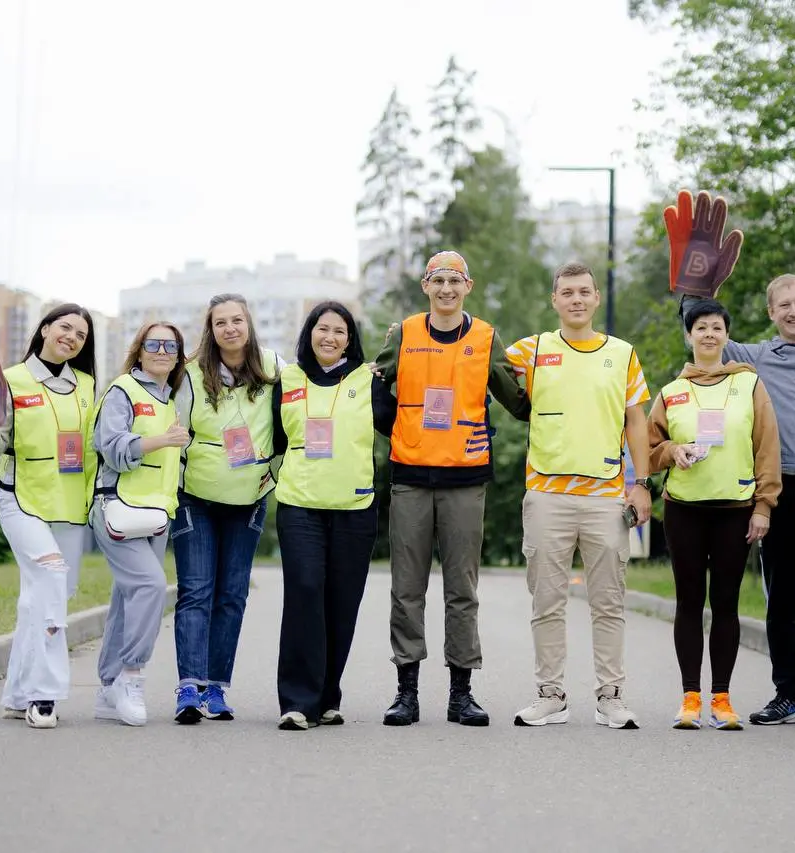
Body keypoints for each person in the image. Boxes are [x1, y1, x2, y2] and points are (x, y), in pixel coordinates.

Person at [684, 275, 795, 729]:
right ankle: (787, 695)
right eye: (783, 305)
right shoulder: (756, 358)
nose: (793, 311)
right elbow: (703, 333)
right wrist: (692, 286)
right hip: (778, 494)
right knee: (780, 603)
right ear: (771, 313)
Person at [371, 250, 531, 728]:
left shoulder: (484, 337)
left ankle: (461, 694)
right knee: (407, 588)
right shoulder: (403, 334)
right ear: (425, 286)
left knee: (462, 589)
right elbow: (377, 388)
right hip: (411, 477)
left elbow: (517, 401)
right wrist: (401, 431)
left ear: (468, 285)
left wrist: (554, 386)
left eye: (454, 280)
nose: (446, 288)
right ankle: (407, 692)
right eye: (437, 280)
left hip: (465, 478)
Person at [508, 261, 654, 730]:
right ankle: (550, 694)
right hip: (547, 494)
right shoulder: (531, 350)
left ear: (595, 299)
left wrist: (643, 483)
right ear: (554, 300)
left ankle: (610, 695)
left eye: (584, 292)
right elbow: (475, 363)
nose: (576, 299)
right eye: (566, 292)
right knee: (546, 601)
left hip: (605, 495)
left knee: (608, 601)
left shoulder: (623, 354)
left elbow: (636, 422)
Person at [649, 298, 782, 730]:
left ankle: (722, 700)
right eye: (700, 327)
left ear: (727, 336)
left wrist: (764, 505)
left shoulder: (749, 385)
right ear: (688, 336)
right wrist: (673, 450)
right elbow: (647, 452)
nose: (709, 334)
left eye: (716, 328)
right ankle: (690, 699)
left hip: (736, 511)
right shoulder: (671, 392)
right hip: (684, 511)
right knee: (689, 602)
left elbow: (767, 448)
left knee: (725, 604)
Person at [271, 301, 397, 730]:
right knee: (305, 593)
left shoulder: (368, 380)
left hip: (355, 507)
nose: (330, 337)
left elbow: (399, 422)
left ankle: (327, 696)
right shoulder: (287, 379)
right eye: (322, 329)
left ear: (351, 338)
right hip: (299, 504)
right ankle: (296, 701)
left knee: (342, 604)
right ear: (309, 333)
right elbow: (269, 435)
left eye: (340, 331)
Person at [0, 304, 98, 729]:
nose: (71, 337)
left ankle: (15, 694)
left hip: (68, 506)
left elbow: (90, 451)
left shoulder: (87, 386)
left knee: (42, 600)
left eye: (81, 334)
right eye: (65, 327)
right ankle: (44, 694)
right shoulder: (10, 379)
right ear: (45, 328)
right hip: (20, 501)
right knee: (49, 580)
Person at [170, 294, 281, 724]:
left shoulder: (273, 367)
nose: (230, 328)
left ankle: (216, 688)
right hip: (195, 495)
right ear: (211, 330)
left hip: (249, 496)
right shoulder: (191, 374)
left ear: (249, 324)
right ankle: (188, 688)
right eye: (221, 322)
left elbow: (310, 388)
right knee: (196, 591)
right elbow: (172, 426)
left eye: (237, 320)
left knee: (232, 594)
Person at [90, 322, 190, 727]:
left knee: (126, 598)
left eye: (171, 345)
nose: (162, 350)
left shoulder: (169, 401)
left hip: (154, 515)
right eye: (154, 343)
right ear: (140, 350)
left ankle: (107, 688)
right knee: (150, 587)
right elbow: (111, 447)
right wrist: (161, 441)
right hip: (117, 509)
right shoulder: (122, 391)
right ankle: (131, 676)